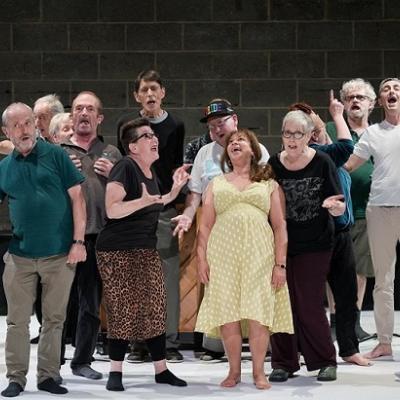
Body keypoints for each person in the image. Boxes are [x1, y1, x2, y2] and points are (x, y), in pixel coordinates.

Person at [195, 128, 293, 389]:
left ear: (253, 149)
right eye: (231, 142)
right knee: (228, 312)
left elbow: (280, 226)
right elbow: (204, 226)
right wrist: (201, 259)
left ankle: (259, 372)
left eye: (241, 140)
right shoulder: (216, 183)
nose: (234, 143)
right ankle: (234, 371)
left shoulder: (268, 184)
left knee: (257, 312)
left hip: (259, 254)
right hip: (223, 254)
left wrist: (280, 264)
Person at [173, 98, 270, 362]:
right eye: (212, 126)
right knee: (216, 286)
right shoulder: (205, 153)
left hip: (251, 229)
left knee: (253, 283)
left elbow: (269, 190)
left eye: (221, 122)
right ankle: (215, 345)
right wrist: (187, 216)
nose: (216, 129)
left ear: (235, 120)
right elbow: (195, 193)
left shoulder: (257, 149)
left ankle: (259, 343)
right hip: (215, 230)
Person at [96, 118, 189, 391]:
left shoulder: (150, 172)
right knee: (123, 310)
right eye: (147, 135)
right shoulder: (125, 167)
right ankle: (115, 372)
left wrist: (172, 191)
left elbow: (155, 203)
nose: (154, 138)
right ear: (133, 146)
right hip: (117, 250)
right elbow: (112, 209)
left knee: (155, 308)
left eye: (153, 134)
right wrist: (142, 201)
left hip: (145, 248)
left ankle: (161, 369)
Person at [0, 102, 86, 397]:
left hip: (60, 254)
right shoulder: (4, 167)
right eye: (17, 125)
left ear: (35, 126)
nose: (24, 129)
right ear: (6, 132)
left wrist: (78, 242)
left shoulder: (57, 155)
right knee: (17, 322)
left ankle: (48, 376)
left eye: (27, 123)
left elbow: (78, 199)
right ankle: (16, 378)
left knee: (54, 319)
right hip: (19, 257)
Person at [291, 93, 370, 367]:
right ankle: (307, 349)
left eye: (312, 118)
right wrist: (337, 114)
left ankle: (348, 348)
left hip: (341, 232)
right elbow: (347, 145)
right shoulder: (319, 154)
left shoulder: (328, 151)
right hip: (318, 235)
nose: (311, 124)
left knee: (346, 294)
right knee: (311, 297)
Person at [268, 110, 345, 383]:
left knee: (309, 303)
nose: (291, 139)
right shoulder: (273, 164)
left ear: (309, 136)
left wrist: (335, 208)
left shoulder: (322, 161)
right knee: (281, 303)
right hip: (281, 245)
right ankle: (283, 362)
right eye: (287, 133)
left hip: (316, 243)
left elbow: (339, 204)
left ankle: (324, 360)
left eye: (297, 134)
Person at [117, 70, 185, 363]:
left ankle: (168, 342)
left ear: (163, 92)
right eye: (144, 90)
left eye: (154, 89)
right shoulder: (127, 125)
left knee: (166, 278)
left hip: (163, 208)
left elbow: (176, 166)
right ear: (136, 95)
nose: (149, 95)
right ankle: (138, 343)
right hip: (133, 211)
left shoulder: (175, 125)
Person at [61, 91, 122, 380]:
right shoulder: (58, 152)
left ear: (99, 118)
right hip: (62, 237)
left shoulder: (111, 152)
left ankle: (81, 360)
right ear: (72, 116)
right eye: (78, 109)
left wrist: (115, 175)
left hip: (98, 237)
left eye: (90, 109)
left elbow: (127, 193)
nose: (83, 113)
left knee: (89, 303)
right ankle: (52, 364)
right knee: (56, 303)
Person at [344, 77, 400, 360]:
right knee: (383, 281)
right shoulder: (374, 133)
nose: (392, 92)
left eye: (397, 88)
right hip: (380, 210)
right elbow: (350, 166)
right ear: (379, 102)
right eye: (386, 90)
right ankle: (385, 342)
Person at [327, 78, 376, 342]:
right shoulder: (333, 128)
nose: (355, 101)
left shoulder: (379, 133)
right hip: (338, 210)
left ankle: (354, 322)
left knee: (361, 268)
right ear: (343, 104)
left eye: (361, 97)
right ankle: (336, 321)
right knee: (336, 267)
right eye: (350, 97)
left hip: (368, 210)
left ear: (372, 104)